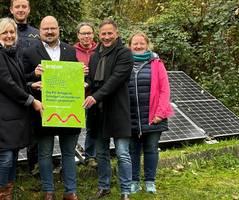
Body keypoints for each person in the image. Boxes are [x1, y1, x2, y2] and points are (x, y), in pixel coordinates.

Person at [22, 16, 86, 200]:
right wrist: (33, 79)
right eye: (45, 29)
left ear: (59, 29)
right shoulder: (29, 52)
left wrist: (81, 77)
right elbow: (22, 80)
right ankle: (48, 191)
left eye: (53, 28)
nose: (49, 32)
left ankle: (70, 191)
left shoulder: (70, 50)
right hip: (44, 111)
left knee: (68, 152)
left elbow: (74, 79)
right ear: (39, 31)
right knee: (44, 153)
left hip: (68, 111)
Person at [0, 17, 43, 200]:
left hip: (13, 116)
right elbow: (7, 84)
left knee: (13, 156)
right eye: (5, 32)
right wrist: (32, 100)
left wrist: (31, 83)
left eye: (12, 32)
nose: (9, 35)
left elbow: (16, 79)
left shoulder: (8, 53)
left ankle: (6, 193)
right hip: (2, 116)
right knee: (6, 157)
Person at [82, 19, 133, 200]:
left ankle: (126, 190)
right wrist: (79, 83)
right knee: (101, 153)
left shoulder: (125, 54)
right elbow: (94, 82)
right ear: (99, 35)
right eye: (103, 34)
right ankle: (104, 187)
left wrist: (95, 97)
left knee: (122, 153)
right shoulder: (95, 56)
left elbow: (115, 80)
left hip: (118, 111)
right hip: (99, 113)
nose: (106, 37)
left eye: (109, 33)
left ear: (116, 34)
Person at [127, 32, 174, 194]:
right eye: (135, 44)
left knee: (151, 149)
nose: (138, 46)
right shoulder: (125, 64)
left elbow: (164, 90)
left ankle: (149, 181)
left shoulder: (157, 63)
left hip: (154, 116)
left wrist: (160, 113)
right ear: (130, 46)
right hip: (131, 116)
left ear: (147, 45)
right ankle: (134, 181)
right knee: (133, 151)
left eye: (141, 43)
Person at [9, 0, 41, 175]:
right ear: (11, 9)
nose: (20, 10)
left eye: (24, 7)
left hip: (34, 87)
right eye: (17, 7)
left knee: (35, 129)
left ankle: (34, 167)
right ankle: (12, 170)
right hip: (11, 88)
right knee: (13, 128)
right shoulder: (4, 32)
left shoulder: (37, 34)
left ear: (29, 9)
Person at [73, 22, 98, 168]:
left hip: (94, 95)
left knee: (92, 127)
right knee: (74, 127)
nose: (86, 36)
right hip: (76, 96)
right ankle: (69, 156)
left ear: (93, 35)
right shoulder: (71, 51)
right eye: (83, 33)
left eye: (89, 33)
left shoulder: (99, 50)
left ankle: (90, 156)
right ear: (78, 35)